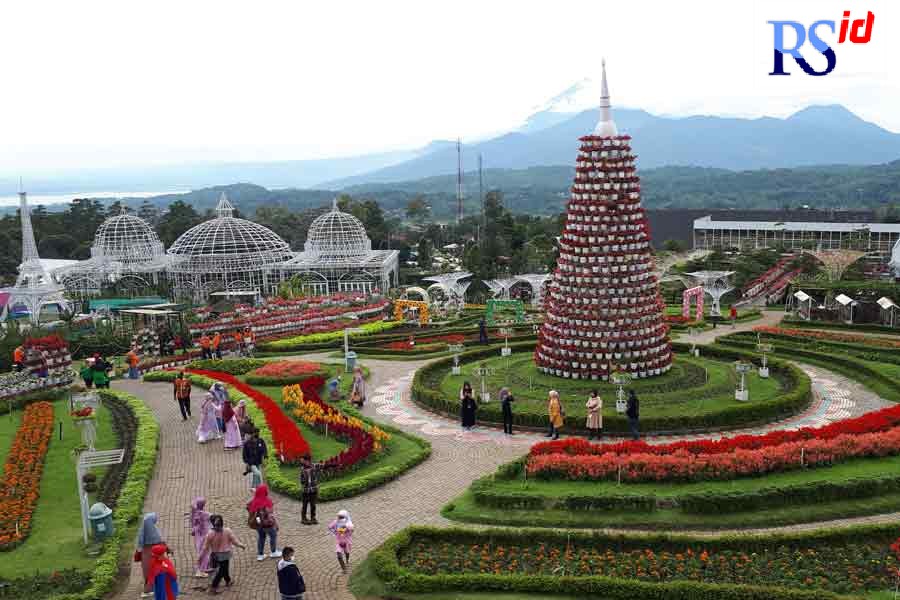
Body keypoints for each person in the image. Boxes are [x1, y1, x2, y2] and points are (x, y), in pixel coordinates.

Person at [201, 514, 245, 594]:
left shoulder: (210, 533)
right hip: (225, 555)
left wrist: (201, 557)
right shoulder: (227, 531)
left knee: (224, 568)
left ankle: (228, 580)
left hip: (216, 555)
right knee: (222, 570)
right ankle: (214, 586)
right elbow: (234, 540)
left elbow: (206, 547)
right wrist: (240, 545)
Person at [247, 484, 281, 561]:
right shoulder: (267, 500)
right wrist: (275, 524)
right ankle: (273, 552)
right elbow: (271, 515)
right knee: (273, 536)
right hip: (268, 525)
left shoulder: (254, 500)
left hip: (259, 525)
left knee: (261, 538)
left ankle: (260, 554)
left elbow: (249, 507)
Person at [136, 513, 164, 597]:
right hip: (152, 556)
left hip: (145, 555)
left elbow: (140, 541)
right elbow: (159, 540)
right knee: (152, 572)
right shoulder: (153, 532)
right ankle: (147, 590)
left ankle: (148, 587)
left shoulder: (143, 529)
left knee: (147, 572)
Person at [327, 509, 354, 573]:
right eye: (339, 516)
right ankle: (344, 568)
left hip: (347, 541)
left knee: (347, 552)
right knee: (339, 555)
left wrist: (346, 528)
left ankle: (347, 559)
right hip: (338, 541)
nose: (339, 518)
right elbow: (329, 527)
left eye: (341, 517)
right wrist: (335, 532)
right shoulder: (336, 522)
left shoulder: (348, 524)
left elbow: (351, 531)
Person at [190, 497, 211, 577]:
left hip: (198, 535)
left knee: (202, 551)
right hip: (204, 535)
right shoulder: (204, 514)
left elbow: (194, 524)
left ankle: (205, 567)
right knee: (204, 552)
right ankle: (201, 570)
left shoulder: (195, 513)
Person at [299, 454, 323, 525]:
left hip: (313, 489)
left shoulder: (314, 466)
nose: (302, 461)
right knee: (305, 505)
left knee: (313, 505)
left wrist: (335, 464)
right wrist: (304, 480)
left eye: (303, 460)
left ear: (308, 460)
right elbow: (301, 480)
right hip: (305, 490)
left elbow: (324, 465)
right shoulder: (302, 469)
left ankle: (313, 518)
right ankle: (303, 519)